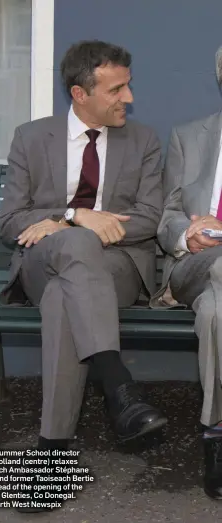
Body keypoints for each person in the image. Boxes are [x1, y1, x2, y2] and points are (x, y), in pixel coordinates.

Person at [0, 40, 166, 512]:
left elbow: (151, 218)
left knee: (61, 297)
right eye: (117, 89)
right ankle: (118, 386)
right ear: (79, 93)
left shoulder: (145, 141)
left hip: (117, 267)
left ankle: (51, 456)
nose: (128, 98)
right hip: (43, 261)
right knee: (71, 246)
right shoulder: (31, 137)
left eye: (128, 86)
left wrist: (82, 224)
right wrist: (75, 215)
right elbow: (11, 222)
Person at [156, 46, 222, 500]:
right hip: (193, 266)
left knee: (217, 315)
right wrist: (186, 234)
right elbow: (167, 216)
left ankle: (215, 433)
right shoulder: (189, 136)